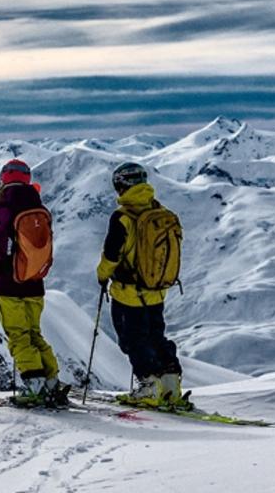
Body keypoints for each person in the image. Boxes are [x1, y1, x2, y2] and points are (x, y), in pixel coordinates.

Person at [97, 162, 185, 407]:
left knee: (133, 339)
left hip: (129, 294)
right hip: (157, 290)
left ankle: (148, 386)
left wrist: (102, 275)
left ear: (121, 186)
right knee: (156, 335)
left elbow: (112, 255)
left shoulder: (123, 217)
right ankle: (170, 385)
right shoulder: (158, 210)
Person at [0, 159, 66, 406]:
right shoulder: (40, 209)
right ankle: (51, 381)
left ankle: (35, 385)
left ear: (3, 180)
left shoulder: (2, 210)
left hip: (8, 284)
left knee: (18, 336)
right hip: (35, 282)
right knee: (34, 333)